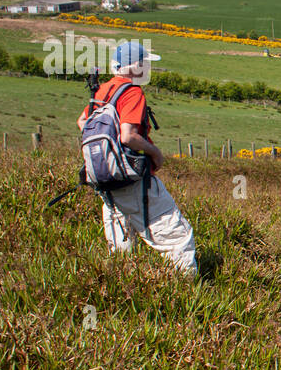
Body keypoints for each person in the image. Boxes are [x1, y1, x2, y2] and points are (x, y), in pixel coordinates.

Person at [78, 41, 197, 276]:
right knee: (176, 236)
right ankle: (185, 297)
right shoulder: (131, 92)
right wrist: (155, 153)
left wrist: (104, 156)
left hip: (106, 182)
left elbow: (82, 123)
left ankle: (121, 290)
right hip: (133, 181)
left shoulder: (101, 91)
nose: (148, 69)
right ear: (135, 66)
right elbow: (128, 136)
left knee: (122, 247)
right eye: (145, 64)